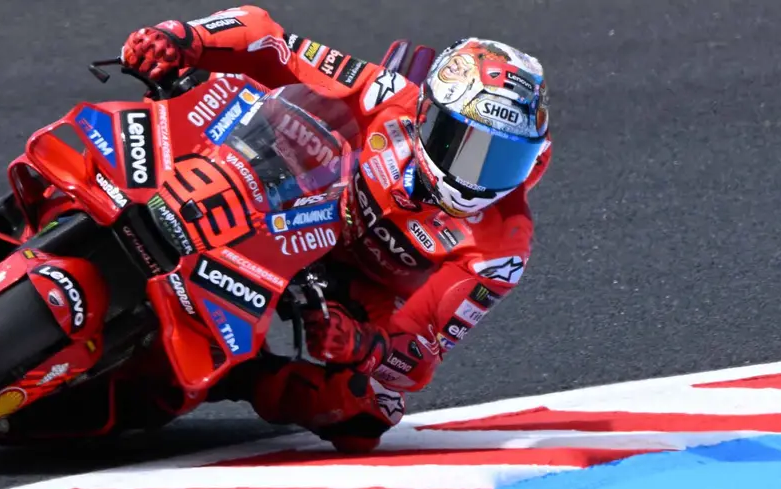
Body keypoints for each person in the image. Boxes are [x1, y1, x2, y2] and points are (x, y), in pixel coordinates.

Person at [121, 6, 553, 453]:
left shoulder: (502, 247)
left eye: (505, 159)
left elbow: (420, 354)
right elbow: (275, 46)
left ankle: (237, 376)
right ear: (428, 115)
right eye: (468, 147)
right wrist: (182, 37)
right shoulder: (389, 98)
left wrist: (362, 344)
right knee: (195, 105)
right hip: (303, 204)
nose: (480, 177)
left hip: (361, 292)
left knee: (364, 413)